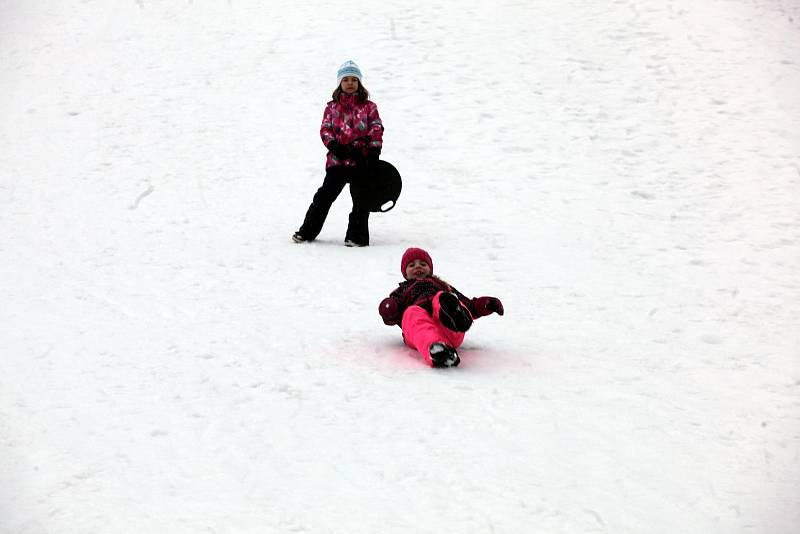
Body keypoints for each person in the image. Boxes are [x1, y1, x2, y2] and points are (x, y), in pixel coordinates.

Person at [292, 60, 384, 247]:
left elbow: (376, 128)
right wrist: (334, 146)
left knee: (361, 199)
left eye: (354, 79)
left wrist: (373, 151)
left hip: (361, 161)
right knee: (324, 196)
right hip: (338, 161)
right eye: (345, 79)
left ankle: (356, 236)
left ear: (359, 83)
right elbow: (325, 129)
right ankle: (307, 231)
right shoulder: (332, 108)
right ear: (339, 83)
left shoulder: (369, 107)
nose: (350, 83)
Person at [378, 247, 505, 368]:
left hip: (448, 330)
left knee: (443, 297)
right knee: (412, 312)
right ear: (405, 273)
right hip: (418, 335)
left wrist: (486, 304)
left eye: (423, 264)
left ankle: (453, 316)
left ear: (430, 269)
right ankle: (437, 351)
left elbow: (469, 305)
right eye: (412, 265)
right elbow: (391, 316)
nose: (418, 267)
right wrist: (389, 308)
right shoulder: (402, 291)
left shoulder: (442, 285)